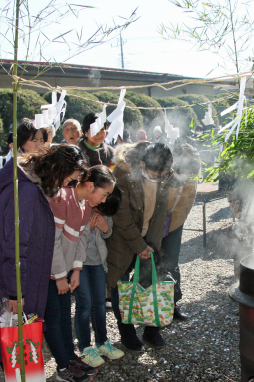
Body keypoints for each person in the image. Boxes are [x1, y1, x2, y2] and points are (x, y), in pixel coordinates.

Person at [0, 145, 88, 374]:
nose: (69, 186)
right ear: (57, 168)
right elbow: (15, 248)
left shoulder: (32, 188)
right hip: (3, 281)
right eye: (70, 180)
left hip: (6, 278)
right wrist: (16, 292)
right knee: (11, 343)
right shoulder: (26, 192)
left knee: (13, 345)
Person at [44, 165, 116, 380]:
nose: (104, 201)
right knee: (54, 318)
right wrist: (59, 276)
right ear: (90, 185)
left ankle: (69, 357)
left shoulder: (85, 205)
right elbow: (53, 242)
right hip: (49, 272)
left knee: (65, 316)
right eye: (104, 194)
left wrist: (75, 269)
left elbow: (79, 240)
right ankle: (63, 367)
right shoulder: (62, 199)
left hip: (64, 270)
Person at [106, 142, 173, 350]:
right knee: (121, 286)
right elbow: (121, 216)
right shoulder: (122, 174)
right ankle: (127, 332)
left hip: (148, 240)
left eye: (162, 175)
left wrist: (151, 245)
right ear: (142, 164)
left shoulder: (163, 173)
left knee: (150, 281)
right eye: (154, 174)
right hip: (122, 240)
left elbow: (160, 212)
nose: (158, 179)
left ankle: (151, 330)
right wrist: (139, 246)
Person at [73, 170, 124, 368]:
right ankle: (85, 348)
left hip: (96, 262)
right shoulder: (84, 203)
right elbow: (74, 236)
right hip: (79, 263)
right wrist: (89, 227)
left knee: (100, 303)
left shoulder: (104, 206)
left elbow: (108, 231)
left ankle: (102, 342)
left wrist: (104, 228)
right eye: (102, 198)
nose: (101, 204)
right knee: (84, 304)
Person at [161, 143, 200, 321]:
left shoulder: (191, 178)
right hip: (156, 223)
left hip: (175, 224)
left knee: (172, 263)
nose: (186, 172)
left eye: (189, 169)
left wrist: (178, 223)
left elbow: (189, 203)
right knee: (154, 263)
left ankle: (173, 304)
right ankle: (154, 304)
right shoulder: (162, 176)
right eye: (183, 167)